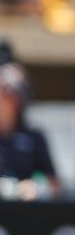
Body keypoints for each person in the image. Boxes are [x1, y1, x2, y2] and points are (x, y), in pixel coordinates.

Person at [0, 61, 60, 200]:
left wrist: (37, 186)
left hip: (25, 213)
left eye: (5, 93)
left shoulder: (34, 137)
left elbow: (55, 183)